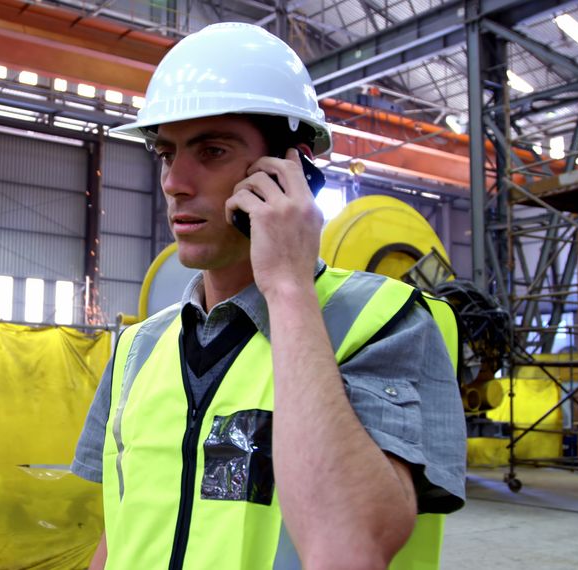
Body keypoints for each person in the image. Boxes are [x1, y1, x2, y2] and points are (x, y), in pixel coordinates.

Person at [72, 22, 466, 569]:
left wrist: (286, 286)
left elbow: (348, 547)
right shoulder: (137, 350)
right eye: (166, 153)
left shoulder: (379, 323)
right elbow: (121, 533)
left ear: (291, 168)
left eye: (210, 151)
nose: (174, 181)